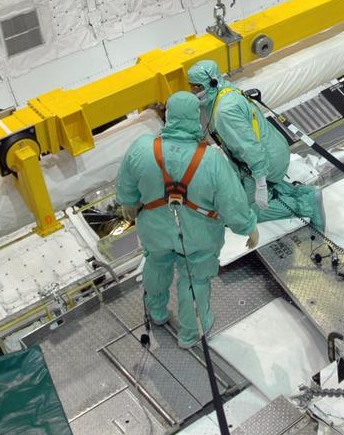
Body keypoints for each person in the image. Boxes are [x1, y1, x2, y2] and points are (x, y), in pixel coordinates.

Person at [117, 91, 259, 347]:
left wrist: (128, 203)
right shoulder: (213, 160)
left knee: (156, 266)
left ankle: (157, 313)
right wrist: (248, 227)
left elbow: (126, 184)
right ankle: (190, 334)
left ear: (169, 115)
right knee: (195, 281)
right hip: (199, 235)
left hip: (155, 228)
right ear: (196, 117)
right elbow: (233, 201)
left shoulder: (142, 148)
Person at [186, 60, 325, 230]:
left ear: (212, 82)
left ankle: (308, 207)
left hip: (265, 160)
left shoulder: (224, 111)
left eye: (197, 87)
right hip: (274, 150)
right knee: (259, 187)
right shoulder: (225, 92)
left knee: (244, 211)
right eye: (192, 87)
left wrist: (260, 183)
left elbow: (250, 147)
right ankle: (307, 194)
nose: (194, 92)